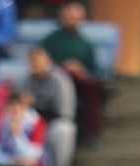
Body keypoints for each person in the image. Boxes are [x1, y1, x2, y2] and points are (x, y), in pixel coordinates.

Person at [41, 1, 103, 143]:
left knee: (91, 87)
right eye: (69, 17)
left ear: (82, 20)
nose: (72, 20)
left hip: (80, 84)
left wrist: (81, 70)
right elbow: (42, 62)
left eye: (76, 18)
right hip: (55, 81)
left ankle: (93, 133)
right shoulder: (51, 40)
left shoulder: (86, 44)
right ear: (62, 18)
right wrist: (64, 66)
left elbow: (94, 69)